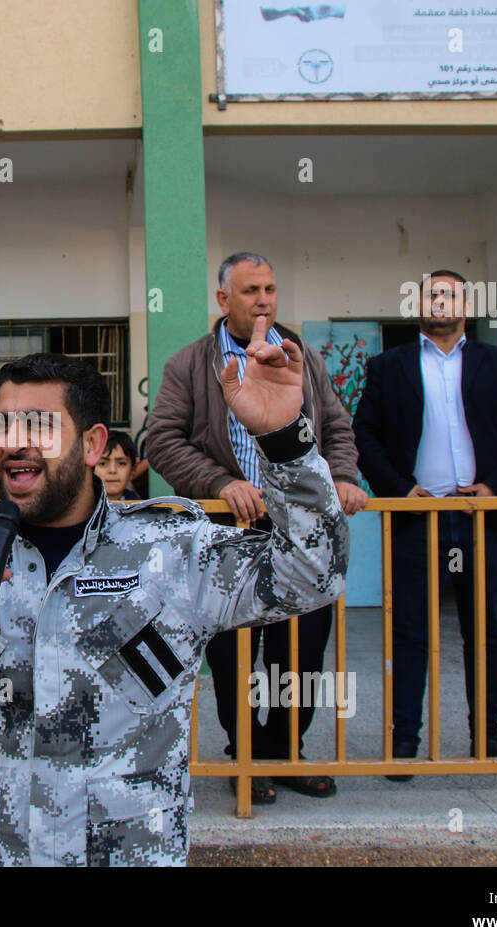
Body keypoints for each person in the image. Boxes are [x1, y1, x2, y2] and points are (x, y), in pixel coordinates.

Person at [0, 347, 349, 866]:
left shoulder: (172, 549)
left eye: (39, 427)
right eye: (3, 426)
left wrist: (285, 444)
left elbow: (315, 575)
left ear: (93, 444)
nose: (15, 444)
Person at [145, 252, 365, 804]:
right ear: (224, 300)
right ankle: (245, 757)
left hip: (301, 535)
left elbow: (336, 427)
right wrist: (220, 483)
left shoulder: (301, 356)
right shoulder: (188, 365)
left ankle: (284, 752)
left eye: (269, 288)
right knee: (234, 655)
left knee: (301, 653)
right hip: (230, 534)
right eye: (250, 291)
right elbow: (161, 440)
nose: (264, 300)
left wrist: (339, 477)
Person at [352, 269, 497, 781]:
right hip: (418, 519)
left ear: (467, 304)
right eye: (429, 294)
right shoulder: (388, 366)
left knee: (485, 632)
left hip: (480, 518)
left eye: (448, 293)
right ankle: (405, 739)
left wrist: (496, 487)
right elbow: (363, 435)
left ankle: (489, 734)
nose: (438, 301)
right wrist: (397, 489)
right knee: (410, 631)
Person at [95, 429, 141, 501]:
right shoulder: (80, 508)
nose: (112, 470)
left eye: (121, 463)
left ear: (132, 470)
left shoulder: (139, 508)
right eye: (103, 463)